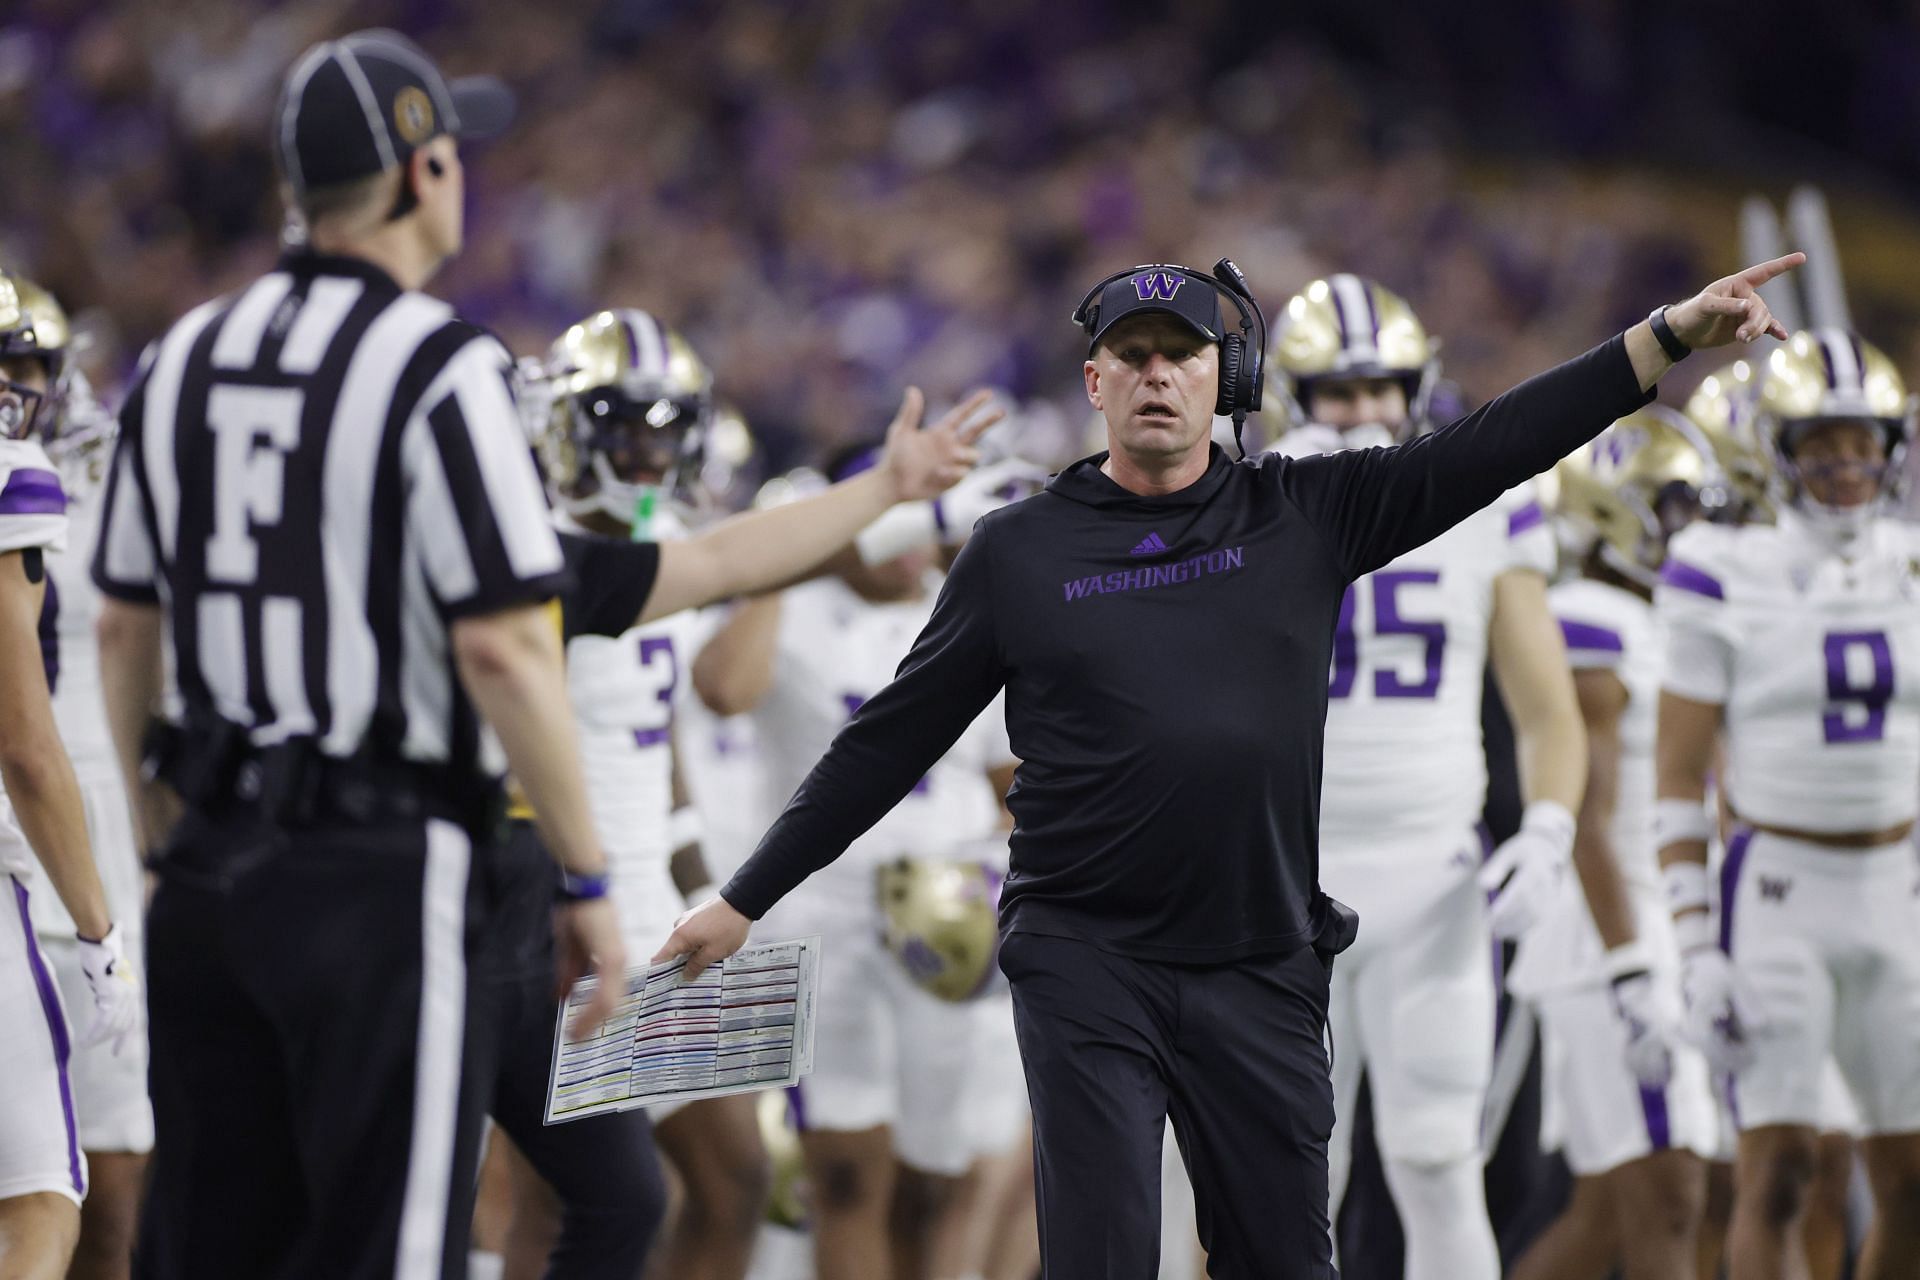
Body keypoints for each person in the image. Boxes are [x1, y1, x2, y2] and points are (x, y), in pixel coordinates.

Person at [658, 253, 1800, 1277]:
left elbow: (1492, 445)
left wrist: (1662, 337)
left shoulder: (1306, 511)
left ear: (1228, 381)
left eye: (1183, 355)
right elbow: (887, 739)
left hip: (1258, 954)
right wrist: (743, 896)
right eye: (1131, 356)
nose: (1157, 375)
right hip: (1085, 951)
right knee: (1108, 1254)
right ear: (1096, 385)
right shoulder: (1020, 548)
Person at [91, 31, 632, 1279]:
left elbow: (126, 625)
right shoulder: (442, 366)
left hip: (213, 864)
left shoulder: (179, 357)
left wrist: (165, 828)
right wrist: (587, 881)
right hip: (377, 871)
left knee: (216, 1248)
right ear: (420, 172)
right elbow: (503, 644)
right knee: (382, 1249)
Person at [472, 311, 1000, 1280]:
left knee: (734, 1175)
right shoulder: (519, 551)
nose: (645, 453)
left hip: (647, 895)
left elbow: (672, 707)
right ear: (562, 427)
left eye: (666, 431)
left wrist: (699, 877)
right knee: (567, 1195)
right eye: (622, 428)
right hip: (553, 899)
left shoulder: (664, 540)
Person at [1264, 274, 1585, 1280]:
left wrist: (1547, 830)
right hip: (1280, 878)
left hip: (1436, 874)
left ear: (1422, 383)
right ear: (1285, 392)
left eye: (1384, 388)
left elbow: (1545, 707)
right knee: (1273, 1184)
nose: (1365, 415)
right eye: (1337, 392)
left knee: (1442, 1163)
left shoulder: (1488, 498)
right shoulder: (1249, 495)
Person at [694, 441, 1020, 1280]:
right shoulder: (793, 608)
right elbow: (724, 687)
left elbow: (1009, 776)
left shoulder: (967, 603)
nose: (910, 541)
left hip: (952, 916)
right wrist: (789, 559)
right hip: (820, 916)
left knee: (936, 1180)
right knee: (841, 1173)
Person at [1656, 327, 1920, 1280]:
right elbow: (1680, 777)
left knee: (1911, 1184)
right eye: (1821, 441)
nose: (1846, 464)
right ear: (1779, 447)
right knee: (1778, 1173)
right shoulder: (1721, 570)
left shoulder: (1912, 561)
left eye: (1863, 441)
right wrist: (1693, 951)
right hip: (1780, 894)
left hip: (1899, 887)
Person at [1503, 407, 1722, 1280]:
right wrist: (1633, 965)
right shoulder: (1593, 616)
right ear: (1614, 510)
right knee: (1667, 1201)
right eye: (1670, 509)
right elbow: (1587, 809)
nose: (1687, 532)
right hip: (1614, 938)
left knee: (1606, 1215)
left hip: (1654, 928)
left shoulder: (1658, 618)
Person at [6, 271, 155, 1280]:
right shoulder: (21, 485)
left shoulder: (103, 492)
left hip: (73, 845)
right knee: (45, 1199)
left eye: (30, 367)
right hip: (33, 865)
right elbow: (25, 733)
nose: (18, 389)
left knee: (103, 1189)